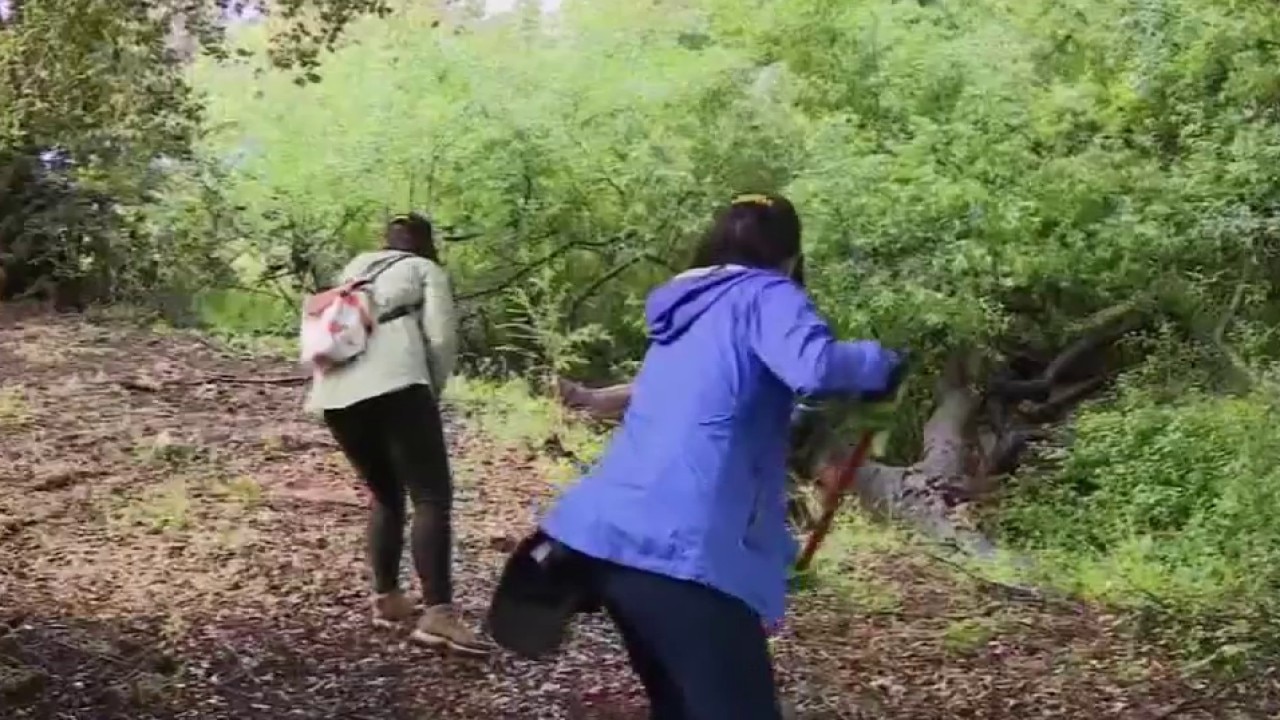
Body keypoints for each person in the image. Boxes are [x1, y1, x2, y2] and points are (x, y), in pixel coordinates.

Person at [537, 193, 905, 719]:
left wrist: (597, 399)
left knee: (680, 706)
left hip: (613, 544)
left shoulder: (689, 307)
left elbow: (668, 388)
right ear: (793, 257)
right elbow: (815, 368)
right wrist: (881, 363)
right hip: (686, 554)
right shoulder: (768, 293)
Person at [305, 212, 491, 656]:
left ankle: (387, 597)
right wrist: (432, 389)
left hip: (334, 393)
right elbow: (442, 339)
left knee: (386, 492)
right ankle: (439, 615)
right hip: (398, 385)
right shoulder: (425, 270)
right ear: (425, 243)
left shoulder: (355, 270)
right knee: (431, 495)